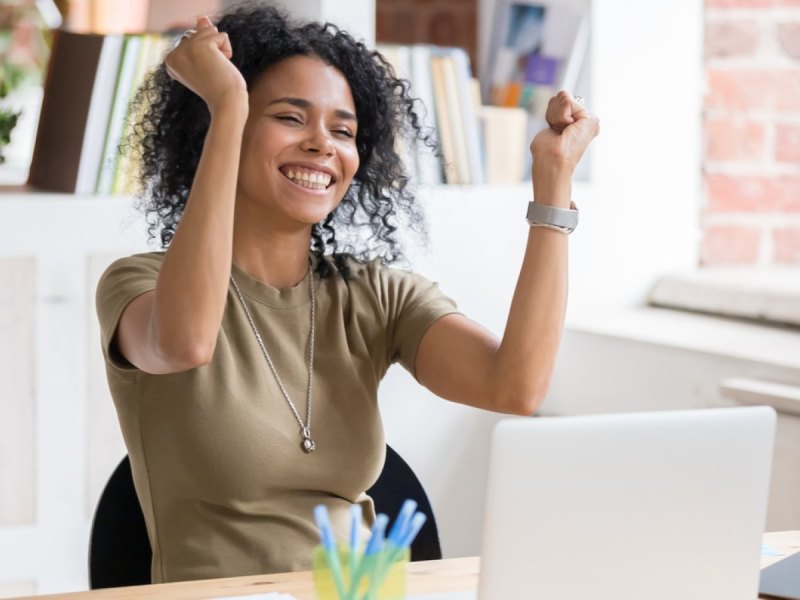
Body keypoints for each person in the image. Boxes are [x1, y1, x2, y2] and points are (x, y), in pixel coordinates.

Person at [95, 3, 599, 585]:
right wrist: (228, 104)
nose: (321, 145)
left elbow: (515, 387)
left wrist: (554, 184)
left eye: (343, 130)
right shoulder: (138, 284)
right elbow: (184, 342)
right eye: (289, 117)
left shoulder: (372, 293)